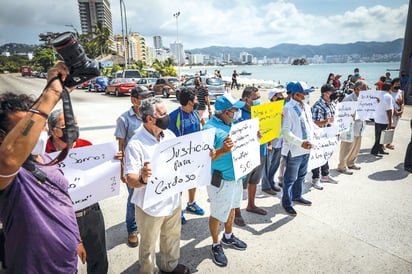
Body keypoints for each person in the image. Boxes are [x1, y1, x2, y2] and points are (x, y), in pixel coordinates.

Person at [0, 62, 83, 273]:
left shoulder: (47, 160)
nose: (40, 132)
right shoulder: (10, 173)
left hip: (67, 264)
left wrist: (76, 239)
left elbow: (64, 203)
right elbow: (8, 159)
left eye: (40, 125)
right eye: (29, 129)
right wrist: (52, 93)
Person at [124, 98, 190, 274]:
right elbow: (130, 179)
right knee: (148, 244)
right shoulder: (136, 144)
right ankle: (148, 271)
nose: (167, 116)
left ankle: (170, 266)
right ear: (149, 119)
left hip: (173, 200)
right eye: (162, 114)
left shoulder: (169, 135)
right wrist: (143, 178)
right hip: (150, 206)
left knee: (172, 236)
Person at [46, 109, 108, 274]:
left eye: (75, 124)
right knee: (64, 262)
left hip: (91, 212)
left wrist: (113, 162)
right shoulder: (43, 154)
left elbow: (99, 174)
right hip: (61, 218)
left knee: (99, 258)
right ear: (53, 130)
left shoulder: (86, 146)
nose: (72, 128)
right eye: (66, 125)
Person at [203, 94, 247, 267]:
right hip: (220, 179)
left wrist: (254, 137)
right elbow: (204, 160)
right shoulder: (209, 129)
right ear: (226, 112)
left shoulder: (234, 125)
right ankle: (215, 244)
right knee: (217, 213)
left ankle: (228, 236)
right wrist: (222, 150)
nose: (237, 112)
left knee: (232, 209)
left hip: (236, 177)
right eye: (235, 110)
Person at [114, 86, 153, 248]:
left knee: (147, 196)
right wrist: (122, 170)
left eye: (148, 97)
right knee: (132, 200)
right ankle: (132, 230)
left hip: (148, 166)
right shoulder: (124, 120)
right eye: (143, 97)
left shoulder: (149, 117)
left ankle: (146, 225)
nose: (146, 100)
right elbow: (120, 146)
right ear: (134, 100)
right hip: (133, 167)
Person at [168, 88, 205, 224]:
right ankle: (177, 210)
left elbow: (201, 131)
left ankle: (191, 203)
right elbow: (168, 139)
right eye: (195, 99)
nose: (197, 101)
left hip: (195, 156)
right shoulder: (174, 116)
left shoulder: (195, 114)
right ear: (189, 101)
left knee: (193, 180)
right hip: (180, 159)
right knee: (179, 185)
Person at [281, 81, 315, 216]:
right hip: (295, 150)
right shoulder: (288, 108)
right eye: (305, 93)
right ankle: (287, 202)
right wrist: (300, 143)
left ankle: (297, 196)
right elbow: (285, 131)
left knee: (301, 175)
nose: (307, 95)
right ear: (296, 94)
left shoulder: (306, 106)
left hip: (307, 148)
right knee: (290, 179)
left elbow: (309, 125)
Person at [234, 86, 267, 227]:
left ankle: (251, 205)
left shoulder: (261, 111)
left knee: (254, 180)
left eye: (259, 97)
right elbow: (234, 132)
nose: (258, 100)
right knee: (239, 185)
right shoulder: (237, 112)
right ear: (246, 99)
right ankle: (236, 212)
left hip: (261, 151)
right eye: (255, 98)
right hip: (245, 155)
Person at [311, 84, 338, 190]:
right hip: (319, 136)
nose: (334, 93)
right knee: (317, 156)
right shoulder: (318, 106)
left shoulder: (331, 103)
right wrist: (327, 121)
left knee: (326, 155)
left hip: (329, 135)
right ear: (325, 93)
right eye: (331, 92)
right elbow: (315, 123)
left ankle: (325, 175)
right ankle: (315, 178)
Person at [337, 80, 368, 174]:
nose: (367, 92)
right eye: (365, 90)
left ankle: (351, 163)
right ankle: (342, 166)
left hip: (360, 126)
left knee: (356, 147)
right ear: (358, 89)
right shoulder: (349, 98)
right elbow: (342, 113)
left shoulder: (365, 99)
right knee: (346, 147)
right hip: (350, 128)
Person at [261, 88, 284, 195]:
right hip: (271, 142)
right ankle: (266, 185)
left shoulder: (282, 108)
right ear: (273, 97)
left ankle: (271, 182)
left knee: (275, 164)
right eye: (279, 94)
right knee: (267, 165)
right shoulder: (268, 109)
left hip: (280, 141)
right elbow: (266, 127)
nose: (281, 96)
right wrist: (269, 143)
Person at [371, 83, 394, 156]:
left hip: (377, 118)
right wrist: (390, 122)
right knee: (381, 137)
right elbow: (389, 110)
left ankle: (380, 150)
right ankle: (374, 151)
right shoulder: (388, 96)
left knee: (378, 135)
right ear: (389, 89)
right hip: (384, 119)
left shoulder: (378, 94)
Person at [386, 77, 404, 150]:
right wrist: (395, 111)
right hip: (390, 112)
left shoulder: (401, 92)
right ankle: (382, 143)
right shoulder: (389, 92)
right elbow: (388, 103)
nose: (397, 85)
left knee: (393, 128)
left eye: (399, 84)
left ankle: (388, 143)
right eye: (396, 84)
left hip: (398, 113)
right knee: (387, 128)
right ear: (392, 84)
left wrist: (402, 110)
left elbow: (402, 102)